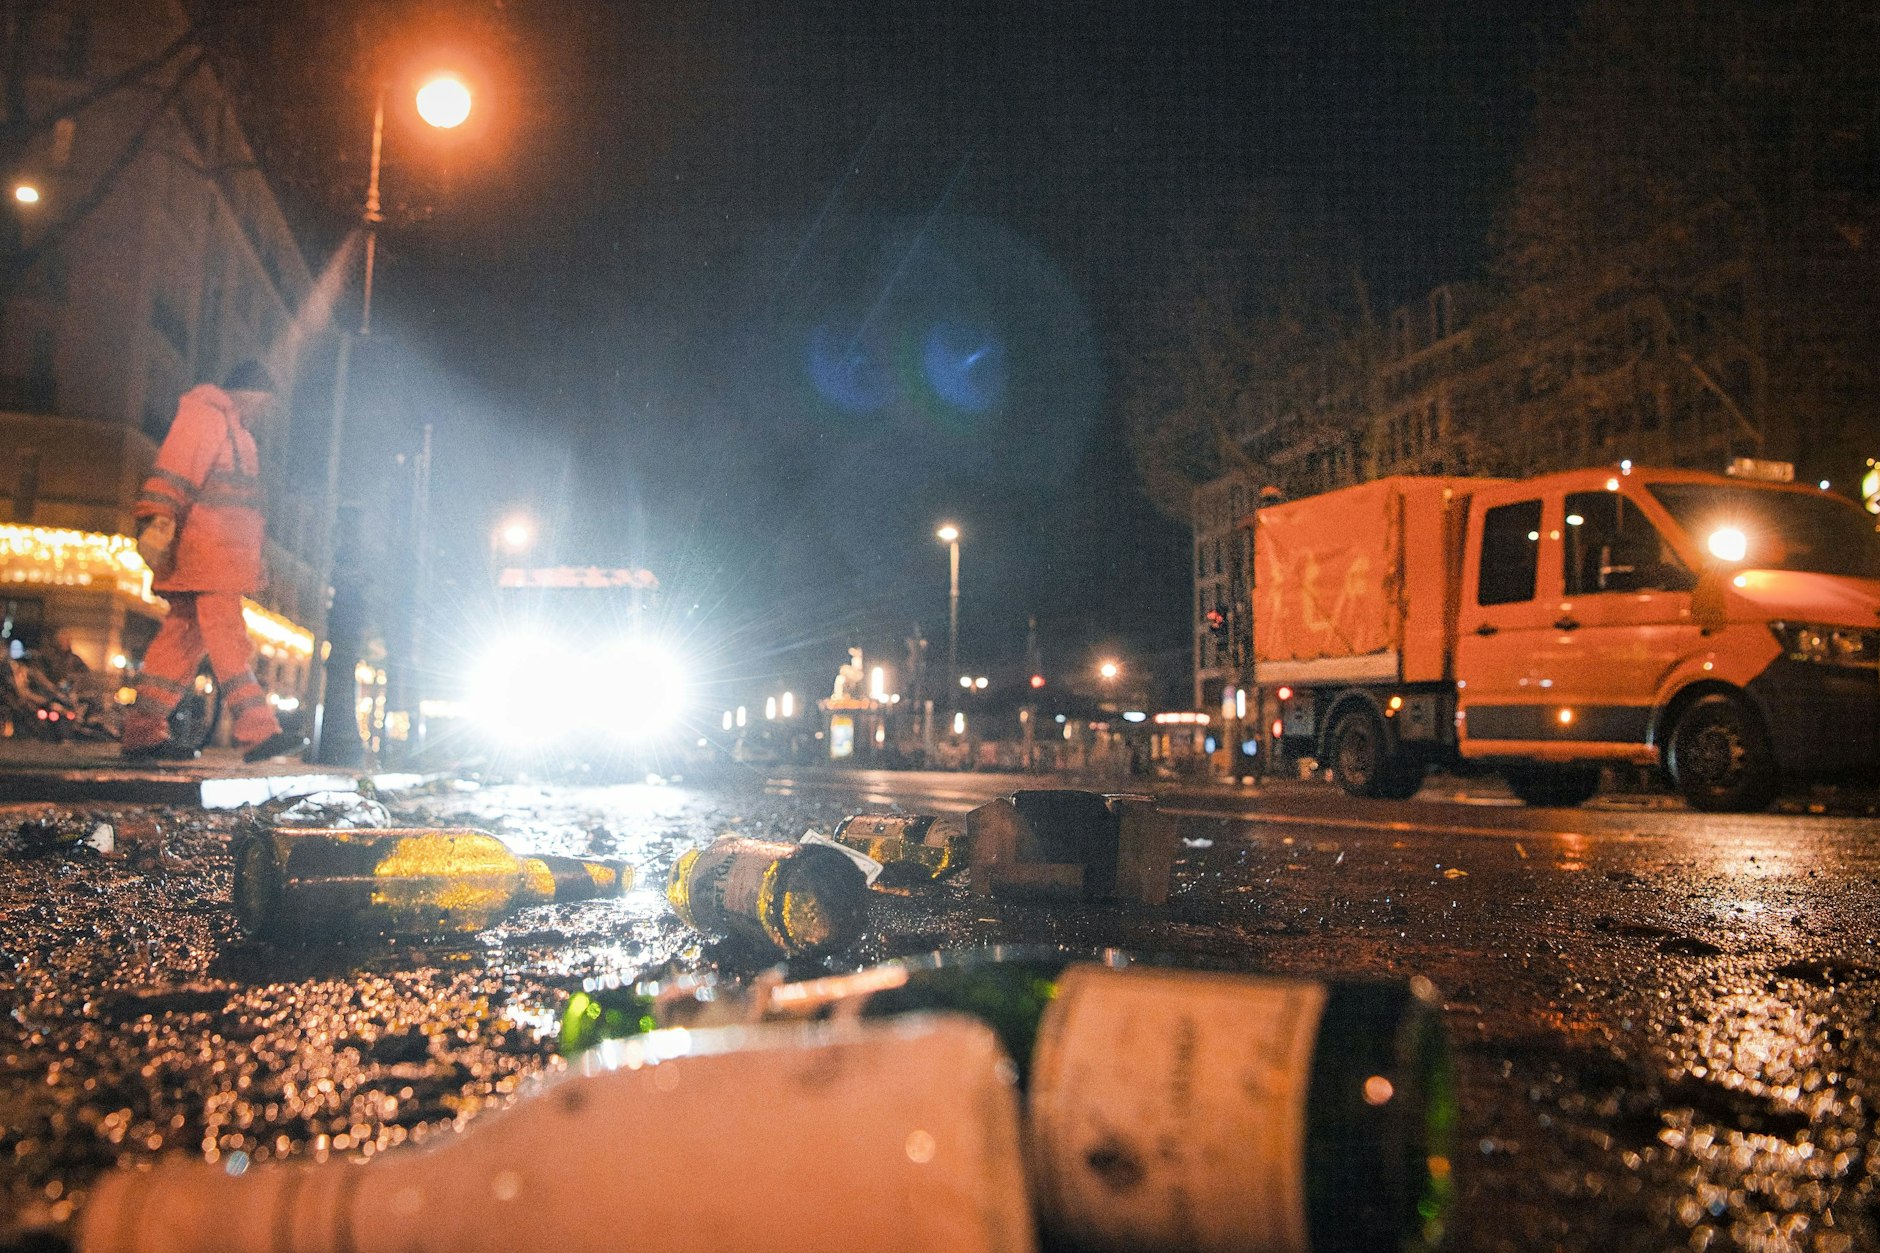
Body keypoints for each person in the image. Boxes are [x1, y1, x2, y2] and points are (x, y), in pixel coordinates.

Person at [121, 361, 306, 762]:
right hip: (209, 553)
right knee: (228, 637)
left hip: (213, 554)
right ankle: (258, 731)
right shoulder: (207, 416)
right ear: (248, 393)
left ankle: (143, 730)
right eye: (262, 403)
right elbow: (177, 469)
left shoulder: (233, 430)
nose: (263, 414)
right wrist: (159, 516)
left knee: (181, 639)